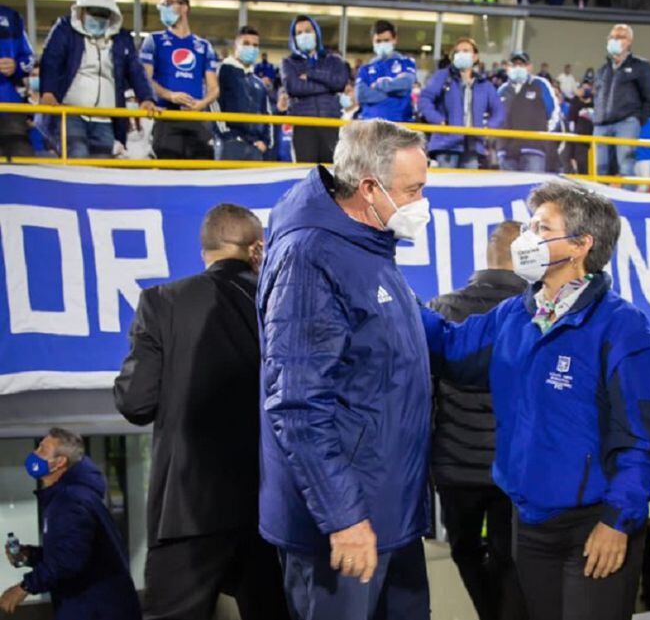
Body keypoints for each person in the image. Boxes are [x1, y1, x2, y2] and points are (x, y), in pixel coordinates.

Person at [423, 181, 650, 620]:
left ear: (580, 245)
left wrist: (617, 521)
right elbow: (451, 349)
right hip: (529, 524)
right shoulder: (516, 314)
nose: (527, 237)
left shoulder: (622, 328)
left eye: (541, 227)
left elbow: (644, 442)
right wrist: (394, 295)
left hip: (594, 526)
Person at [259, 119, 432, 620]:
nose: (422, 203)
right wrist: (344, 517)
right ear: (370, 188)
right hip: (345, 525)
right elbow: (297, 404)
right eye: (414, 190)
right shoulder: (312, 256)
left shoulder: (368, 246)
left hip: (388, 510)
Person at [113, 204, 289, 620]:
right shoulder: (279, 307)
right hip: (270, 505)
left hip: (187, 509)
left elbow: (135, 403)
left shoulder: (162, 302)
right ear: (257, 250)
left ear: (204, 249)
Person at [429, 221, 529, 620]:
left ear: (488, 255)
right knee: (511, 559)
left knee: (464, 552)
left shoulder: (444, 308)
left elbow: (428, 390)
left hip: (456, 466)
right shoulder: (536, 312)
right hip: (514, 468)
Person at [0, 428, 140, 620]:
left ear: (59, 462)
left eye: (42, 450)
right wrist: (30, 555)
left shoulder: (69, 500)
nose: (34, 454)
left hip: (96, 610)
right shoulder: (70, 495)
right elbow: (74, 553)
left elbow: (68, 560)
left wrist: (25, 587)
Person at [38, 0, 154, 159]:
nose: (98, 18)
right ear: (82, 12)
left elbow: (136, 70)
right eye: (94, 13)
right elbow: (51, 60)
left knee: (103, 167)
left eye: (103, 14)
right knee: (77, 155)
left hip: (105, 118)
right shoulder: (65, 30)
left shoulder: (121, 39)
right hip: (70, 112)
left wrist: (146, 97)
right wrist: (48, 92)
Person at [140, 0, 218, 159]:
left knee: (202, 175)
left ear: (184, 7)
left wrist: (202, 103)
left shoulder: (204, 46)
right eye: (161, 6)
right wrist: (170, 95)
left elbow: (214, 88)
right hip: (167, 118)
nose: (163, 9)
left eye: (168, 4)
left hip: (196, 118)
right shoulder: (153, 40)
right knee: (168, 176)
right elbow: (144, 78)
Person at [419, 37, 505, 169]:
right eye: (458, 52)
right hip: (446, 145)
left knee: (469, 188)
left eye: (466, 51)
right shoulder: (443, 76)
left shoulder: (484, 84)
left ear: (475, 56)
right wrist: (439, 121)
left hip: (473, 146)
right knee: (445, 188)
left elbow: (499, 111)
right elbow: (424, 100)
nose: (461, 54)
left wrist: (489, 127)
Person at [282, 14, 350, 163]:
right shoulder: (289, 62)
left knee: (332, 176)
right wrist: (328, 86)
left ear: (317, 33)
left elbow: (339, 83)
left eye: (308, 31)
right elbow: (294, 88)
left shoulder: (333, 60)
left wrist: (311, 74)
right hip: (304, 126)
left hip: (330, 123)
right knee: (306, 176)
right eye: (299, 33)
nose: (304, 35)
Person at [593, 24, 650, 178]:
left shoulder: (641, 66)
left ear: (629, 41)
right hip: (601, 125)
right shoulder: (603, 70)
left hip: (626, 123)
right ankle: (599, 202)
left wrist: (636, 120)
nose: (615, 40)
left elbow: (649, 97)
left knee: (626, 167)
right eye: (612, 37)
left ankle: (626, 200)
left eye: (620, 37)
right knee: (599, 168)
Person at [216, 26, 273, 161]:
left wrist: (265, 141)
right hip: (230, 145)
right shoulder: (223, 71)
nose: (251, 48)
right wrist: (228, 136)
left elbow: (267, 113)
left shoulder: (259, 83)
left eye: (255, 45)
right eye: (246, 44)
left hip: (256, 147)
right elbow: (214, 104)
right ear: (236, 45)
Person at [496, 50, 559, 173]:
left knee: (533, 189)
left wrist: (542, 137)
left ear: (529, 67)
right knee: (509, 191)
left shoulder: (540, 84)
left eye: (522, 64)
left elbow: (553, 113)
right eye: (514, 65)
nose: (518, 68)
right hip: (507, 150)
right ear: (508, 68)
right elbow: (495, 117)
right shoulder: (502, 90)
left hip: (534, 148)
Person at [355, 20, 417, 123]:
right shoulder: (365, 68)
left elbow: (405, 85)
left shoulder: (406, 63)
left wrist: (379, 86)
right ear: (373, 41)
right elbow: (361, 94)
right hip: (369, 125)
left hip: (399, 124)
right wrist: (392, 95)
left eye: (386, 40)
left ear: (395, 39)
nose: (382, 44)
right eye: (378, 41)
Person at [0, 5, 35, 158]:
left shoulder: (11, 16)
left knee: (23, 162)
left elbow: (28, 58)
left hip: (10, 106)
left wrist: (16, 66)